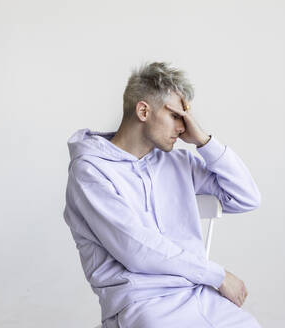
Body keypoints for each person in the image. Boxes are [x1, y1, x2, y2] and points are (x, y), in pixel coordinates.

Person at [63, 62, 263, 327]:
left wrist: (204, 141)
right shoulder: (91, 170)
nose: (183, 127)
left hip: (197, 291)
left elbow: (246, 197)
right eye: (176, 116)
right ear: (143, 111)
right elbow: (136, 249)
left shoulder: (177, 162)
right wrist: (218, 276)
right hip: (141, 302)